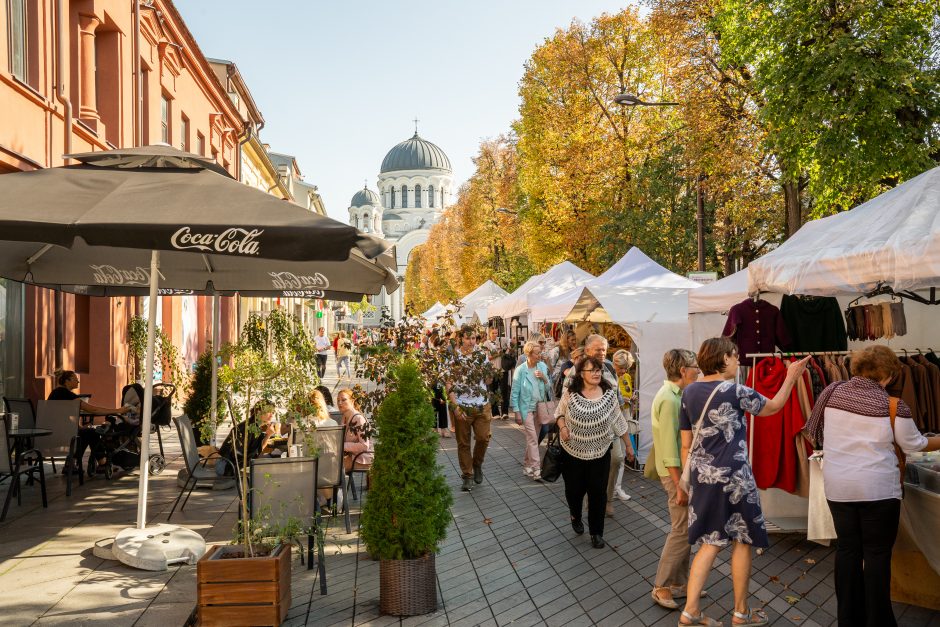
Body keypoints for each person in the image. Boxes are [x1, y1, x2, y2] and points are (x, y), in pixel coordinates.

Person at [804, 345, 940, 627]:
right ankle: (879, 621)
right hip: (878, 490)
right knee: (877, 555)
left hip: (839, 487)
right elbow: (915, 444)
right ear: (888, 375)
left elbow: (812, 430)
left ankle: (848, 620)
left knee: (847, 551)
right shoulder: (893, 406)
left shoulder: (831, 392)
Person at [678, 337, 809, 627]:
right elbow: (773, 407)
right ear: (723, 358)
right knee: (742, 539)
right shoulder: (736, 391)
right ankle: (740, 612)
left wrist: (683, 483)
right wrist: (790, 376)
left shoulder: (688, 392)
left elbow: (685, 443)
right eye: (735, 356)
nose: (738, 361)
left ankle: (690, 611)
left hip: (703, 476)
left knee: (709, 543)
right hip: (735, 474)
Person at [555, 356, 632, 549]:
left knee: (598, 493)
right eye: (593, 370)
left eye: (599, 370)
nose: (597, 373)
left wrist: (629, 446)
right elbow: (559, 414)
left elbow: (619, 421)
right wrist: (563, 428)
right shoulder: (571, 393)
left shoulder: (608, 394)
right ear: (582, 373)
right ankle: (575, 515)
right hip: (572, 452)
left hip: (600, 452)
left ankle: (596, 532)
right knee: (574, 491)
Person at [650, 349, 701, 611]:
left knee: (685, 529)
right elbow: (670, 451)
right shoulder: (670, 400)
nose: (699, 370)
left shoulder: (674, 395)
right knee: (681, 530)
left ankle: (680, 584)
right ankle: (662, 585)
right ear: (683, 371)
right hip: (675, 474)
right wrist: (680, 484)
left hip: (677, 472)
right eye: (695, 366)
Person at [563, 334, 637, 517]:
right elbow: (565, 403)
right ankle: (592, 498)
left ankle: (607, 499)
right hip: (583, 434)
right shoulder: (576, 371)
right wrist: (565, 426)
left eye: (604, 349)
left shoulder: (610, 367)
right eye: (598, 349)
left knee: (616, 459)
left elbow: (617, 396)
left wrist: (625, 434)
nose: (602, 353)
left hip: (610, 428)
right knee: (588, 472)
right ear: (587, 350)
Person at [48, 369, 132, 473]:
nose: (78, 382)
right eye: (75, 379)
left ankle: (74, 463)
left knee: (86, 432)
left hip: (51, 434)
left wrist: (79, 427)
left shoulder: (56, 393)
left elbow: (61, 417)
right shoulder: (66, 394)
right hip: (62, 435)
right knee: (91, 433)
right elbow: (94, 410)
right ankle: (100, 463)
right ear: (67, 381)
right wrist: (118, 410)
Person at [447, 325, 493, 492]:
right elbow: (449, 383)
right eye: (468, 338)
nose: (471, 342)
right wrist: (455, 406)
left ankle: (477, 463)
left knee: (483, 438)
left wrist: (488, 371)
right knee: (463, 443)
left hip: (482, 404)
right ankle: (467, 475)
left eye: (473, 338)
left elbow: (488, 381)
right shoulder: (454, 358)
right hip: (463, 405)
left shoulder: (482, 355)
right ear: (461, 339)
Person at [510, 340, 551, 480]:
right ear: (529, 353)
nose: (540, 355)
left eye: (540, 352)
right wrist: (516, 411)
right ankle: (536, 468)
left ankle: (527, 465)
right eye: (537, 353)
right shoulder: (521, 370)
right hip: (525, 408)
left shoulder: (542, 367)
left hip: (539, 407)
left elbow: (548, 388)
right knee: (533, 438)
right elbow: (514, 392)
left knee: (532, 439)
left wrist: (544, 379)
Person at [216, 402, 277, 477]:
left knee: (270, 464)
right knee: (268, 469)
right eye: (269, 412)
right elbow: (245, 455)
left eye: (273, 412)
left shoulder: (255, 426)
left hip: (233, 463)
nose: (272, 415)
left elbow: (256, 452)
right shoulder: (247, 428)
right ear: (258, 412)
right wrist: (268, 435)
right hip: (227, 466)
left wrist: (268, 435)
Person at [611, 349, 637, 502]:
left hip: (624, 416)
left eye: (626, 368)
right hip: (613, 419)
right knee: (615, 457)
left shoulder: (626, 376)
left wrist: (630, 400)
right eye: (621, 367)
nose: (624, 371)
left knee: (620, 456)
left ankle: (617, 488)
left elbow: (626, 396)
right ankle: (613, 488)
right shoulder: (609, 377)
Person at [336, 388, 374, 472]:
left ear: (352, 401)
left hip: (363, 458)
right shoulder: (344, 417)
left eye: (343, 400)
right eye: (338, 400)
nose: (339, 403)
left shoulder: (358, 418)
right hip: (351, 456)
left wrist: (343, 446)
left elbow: (365, 445)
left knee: (333, 468)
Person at [483, 326, 512, 419]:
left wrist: (508, 349)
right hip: (492, 371)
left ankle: (505, 412)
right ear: (489, 333)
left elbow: (510, 342)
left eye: (496, 333)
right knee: (493, 391)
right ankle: (495, 413)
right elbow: (487, 358)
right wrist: (498, 354)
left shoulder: (501, 340)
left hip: (503, 370)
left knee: (504, 391)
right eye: (493, 333)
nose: (495, 335)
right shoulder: (486, 344)